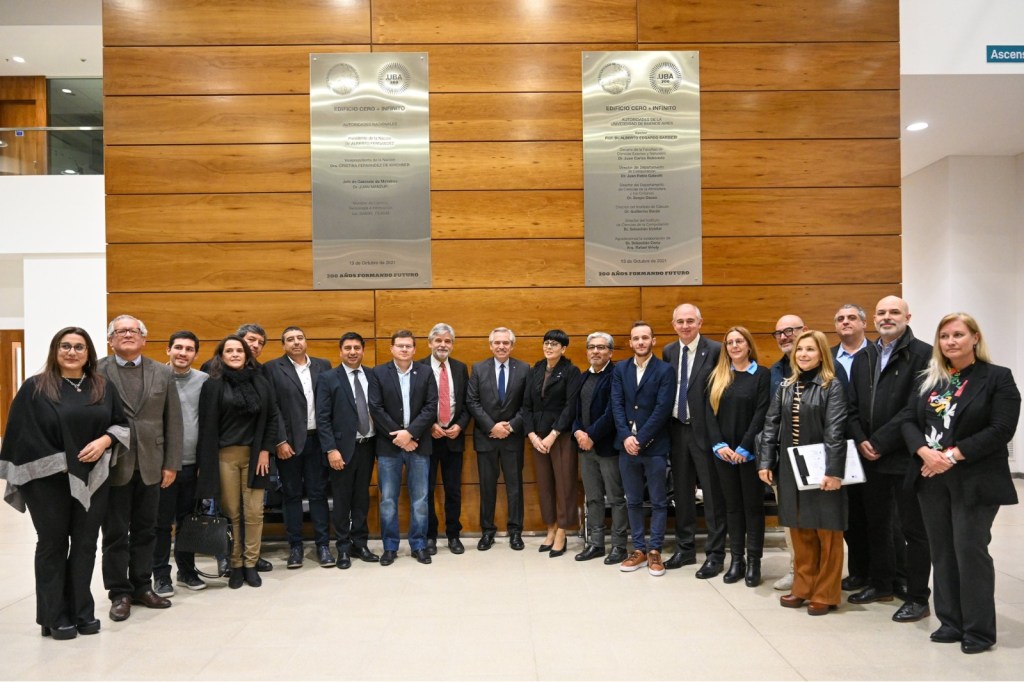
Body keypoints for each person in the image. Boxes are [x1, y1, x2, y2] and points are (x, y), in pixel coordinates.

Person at [902, 313, 1020, 654]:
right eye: (944, 336)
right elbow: (909, 420)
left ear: (975, 339)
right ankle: (951, 622)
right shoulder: (931, 379)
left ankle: (979, 630)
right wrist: (924, 451)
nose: (950, 341)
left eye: (958, 335)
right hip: (931, 478)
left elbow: (1001, 429)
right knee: (942, 551)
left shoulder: (997, 378)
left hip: (975, 478)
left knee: (969, 550)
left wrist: (950, 456)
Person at [0, 327, 129, 639]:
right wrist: (61, 462)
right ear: (55, 351)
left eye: (79, 347)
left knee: (86, 546)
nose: (72, 352)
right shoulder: (36, 387)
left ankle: (81, 611)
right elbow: (21, 436)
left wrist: (105, 440)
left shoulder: (102, 386)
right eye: (65, 346)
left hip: (93, 478)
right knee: (53, 544)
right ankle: (54, 616)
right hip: (47, 482)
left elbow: (121, 423)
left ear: (89, 353)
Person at [846, 296, 933, 623]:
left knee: (913, 530)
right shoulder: (863, 356)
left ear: (907, 316)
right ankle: (881, 584)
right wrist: (862, 440)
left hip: (905, 455)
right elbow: (852, 407)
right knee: (877, 524)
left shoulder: (923, 354)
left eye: (894, 312)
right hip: (869, 456)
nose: (886, 317)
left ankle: (917, 596)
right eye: (881, 312)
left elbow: (916, 407)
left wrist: (880, 441)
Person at [97, 315, 183, 623]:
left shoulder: (162, 372)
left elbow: (174, 421)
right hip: (113, 465)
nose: (127, 335)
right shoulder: (97, 370)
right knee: (116, 533)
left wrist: (172, 463)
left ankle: (143, 586)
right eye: (120, 332)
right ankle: (119, 592)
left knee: (148, 530)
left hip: (152, 464)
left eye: (133, 331)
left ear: (144, 339)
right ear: (111, 340)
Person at [759, 330, 848, 616]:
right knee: (799, 528)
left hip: (823, 467)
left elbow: (836, 431)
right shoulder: (786, 386)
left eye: (810, 349)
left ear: (822, 353)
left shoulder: (831, 386)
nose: (804, 355)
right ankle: (803, 587)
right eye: (800, 350)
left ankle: (826, 592)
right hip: (790, 466)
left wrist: (834, 471)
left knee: (827, 531)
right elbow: (771, 424)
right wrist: (765, 462)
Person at [195, 336, 276, 589]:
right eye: (228, 350)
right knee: (232, 513)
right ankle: (236, 563)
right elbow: (206, 426)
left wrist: (265, 451)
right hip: (224, 457)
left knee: (254, 512)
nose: (234, 354)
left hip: (255, 457)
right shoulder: (213, 384)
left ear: (246, 354)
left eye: (238, 350)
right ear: (221, 355)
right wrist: (204, 463)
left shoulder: (261, 382)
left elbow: (273, 418)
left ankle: (251, 563)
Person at [662, 303, 725, 578]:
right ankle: (685, 549)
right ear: (673, 324)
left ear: (700, 323)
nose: (685, 326)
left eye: (690, 321)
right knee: (682, 494)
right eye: (680, 322)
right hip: (677, 431)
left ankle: (715, 554)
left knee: (711, 494)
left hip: (705, 432)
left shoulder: (714, 350)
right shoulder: (668, 351)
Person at [705, 327, 771, 587]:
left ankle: (754, 562)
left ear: (748, 345)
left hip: (749, 455)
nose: (734, 346)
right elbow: (708, 414)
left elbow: (762, 412)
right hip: (723, 455)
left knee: (753, 508)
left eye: (739, 341)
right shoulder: (717, 376)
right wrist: (718, 445)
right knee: (731, 508)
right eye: (730, 342)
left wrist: (745, 448)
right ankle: (737, 561)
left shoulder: (761, 374)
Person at [265, 326, 334, 569]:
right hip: (289, 444)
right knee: (292, 496)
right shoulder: (273, 368)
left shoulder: (323, 365)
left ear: (306, 341)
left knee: (318, 494)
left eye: (300, 338)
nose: (296, 342)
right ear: (283, 345)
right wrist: (280, 441)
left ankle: (323, 545)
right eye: (290, 340)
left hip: (318, 441)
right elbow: (272, 408)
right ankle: (295, 547)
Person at [367, 330, 438, 566]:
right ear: (392, 348)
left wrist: (411, 433)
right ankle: (390, 546)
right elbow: (375, 408)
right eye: (400, 346)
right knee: (388, 499)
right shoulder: (378, 373)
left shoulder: (426, 372)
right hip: (389, 446)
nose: (404, 349)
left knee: (420, 498)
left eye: (408, 346)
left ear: (415, 350)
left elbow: (431, 407)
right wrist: (400, 436)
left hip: (419, 444)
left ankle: (418, 545)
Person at [610, 321, 675, 577]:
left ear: (653, 340)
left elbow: (662, 409)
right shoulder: (620, 369)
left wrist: (641, 439)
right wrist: (627, 437)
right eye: (636, 338)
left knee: (659, 501)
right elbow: (616, 404)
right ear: (630, 342)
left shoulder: (665, 370)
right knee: (633, 500)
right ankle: (638, 548)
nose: (640, 342)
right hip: (626, 447)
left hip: (655, 447)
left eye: (645, 338)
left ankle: (655, 549)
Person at [315, 332, 380, 569]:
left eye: (356, 348)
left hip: (368, 445)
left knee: (361, 498)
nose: (352, 352)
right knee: (342, 500)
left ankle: (359, 543)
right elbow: (322, 418)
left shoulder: (373, 375)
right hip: (341, 449)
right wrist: (331, 449)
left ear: (363, 350)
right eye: (348, 348)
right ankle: (342, 547)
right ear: (340, 351)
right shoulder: (328, 378)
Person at [152, 331, 209, 596]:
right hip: (164, 465)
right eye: (178, 348)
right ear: (168, 350)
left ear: (196, 354)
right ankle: (161, 575)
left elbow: (209, 423)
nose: (182, 353)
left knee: (188, 521)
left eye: (188, 349)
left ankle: (187, 571)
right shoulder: (156, 377)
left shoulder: (204, 381)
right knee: (162, 523)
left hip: (192, 464)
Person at [466, 327, 530, 551]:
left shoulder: (524, 369)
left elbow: (527, 404)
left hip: (513, 439)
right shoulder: (479, 368)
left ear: (512, 346)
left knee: (515, 487)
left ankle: (515, 532)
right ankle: (487, 532)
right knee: (487, 487)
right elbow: (472, 401)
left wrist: (510, 426)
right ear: (490, 345)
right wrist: (492, 426)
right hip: (486, 438)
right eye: (497, 343)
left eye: (506, 343)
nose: (501, 346)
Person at [522, 329, 581, 558]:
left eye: (554, 344)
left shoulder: (571, 371)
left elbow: (570, 406)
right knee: (545, 484)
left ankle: (563, 531)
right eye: (546, 343)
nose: (549, 347)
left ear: (563, 349)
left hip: (561, 436)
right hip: (537, 437)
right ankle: (550, 527)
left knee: (564, 484)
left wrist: (553, 433)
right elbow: (526, 406)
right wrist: (532, 435)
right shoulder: (535, 370)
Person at [572, 332, 628, 565]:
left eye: (601, 347)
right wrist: (577, 432)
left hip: (607, 447)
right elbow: (574, 412)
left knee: (615, 499)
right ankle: (595, 543)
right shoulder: (583, 377)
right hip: (585, 449)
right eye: (592, 347)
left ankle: (618, 546)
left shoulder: (617, 376)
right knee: (593, 498)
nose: (596, 351)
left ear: (610, 352)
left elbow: (612, 412)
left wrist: (591, 435)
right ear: (586, 351)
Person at [418, 323, 471, 555]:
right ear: (430, 343)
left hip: (453, 437)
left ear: (452, 344)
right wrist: (429, 425)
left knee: (453, 490)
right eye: (438, 340)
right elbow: (413, 403)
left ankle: (453, 535)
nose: (442, 345)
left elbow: (468, 403)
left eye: (447, 341)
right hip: (427, 439)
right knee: (426, 490)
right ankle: (430, 535)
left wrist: (459, 425)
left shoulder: (460, 368)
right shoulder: (417, 367)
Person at [767, 313, 807, 591]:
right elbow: (769, 419)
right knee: (790, 519)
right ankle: (797, 571)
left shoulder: (829, 370)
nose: (784, 336)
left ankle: (828, 576)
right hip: (784, 457)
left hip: (817, 457)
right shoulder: (774, 371)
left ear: (805, 331)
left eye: (790, 330)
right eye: (779, 332)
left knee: (821, 521)